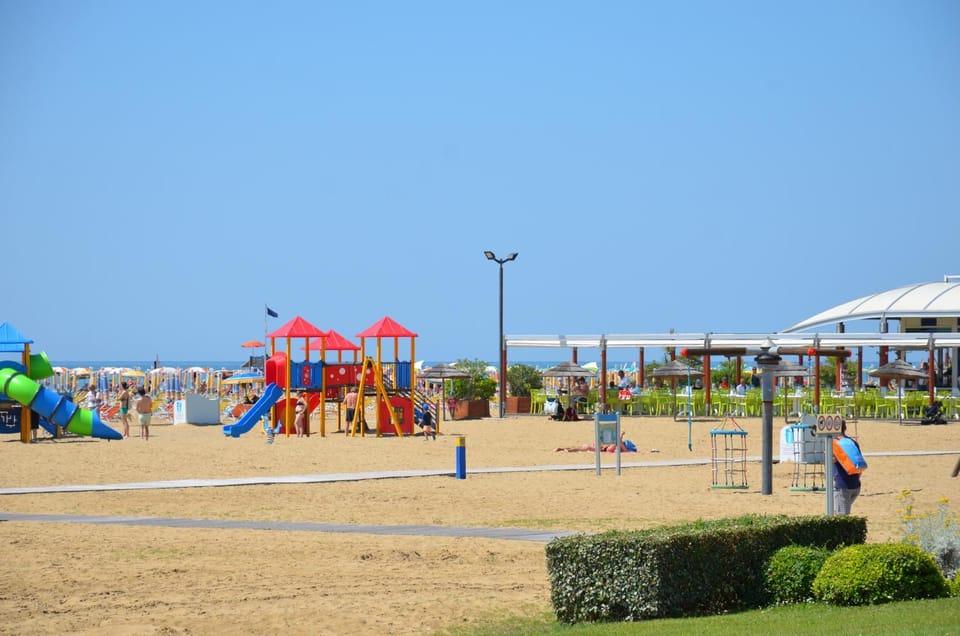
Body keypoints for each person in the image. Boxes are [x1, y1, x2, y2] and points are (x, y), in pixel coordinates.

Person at [832, 419, 867, 515]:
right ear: (845, 428)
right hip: (855, 485)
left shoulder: (834, 444)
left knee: (841, 518)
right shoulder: (852, 442)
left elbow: (830, 463)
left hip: (842, 486)